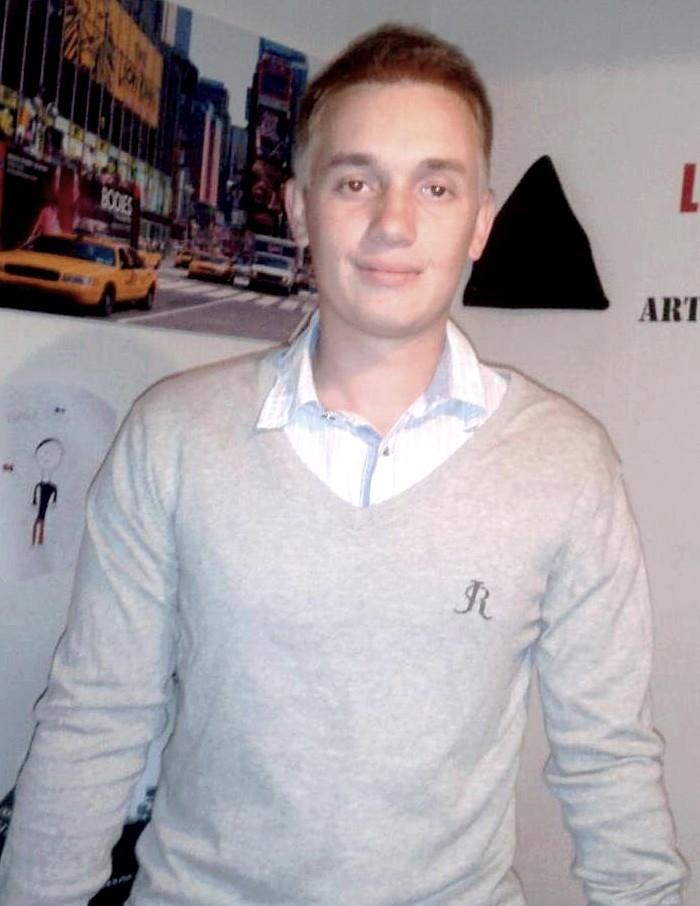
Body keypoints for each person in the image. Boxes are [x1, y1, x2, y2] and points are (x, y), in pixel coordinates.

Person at [0, 23, 687, 906]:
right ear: (298, 210)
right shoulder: (173, 435)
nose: (394, 223)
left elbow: (608, 758)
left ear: (480, 223)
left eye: (435, 186)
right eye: (356, 181)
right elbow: (95, 717)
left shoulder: (566, 462)